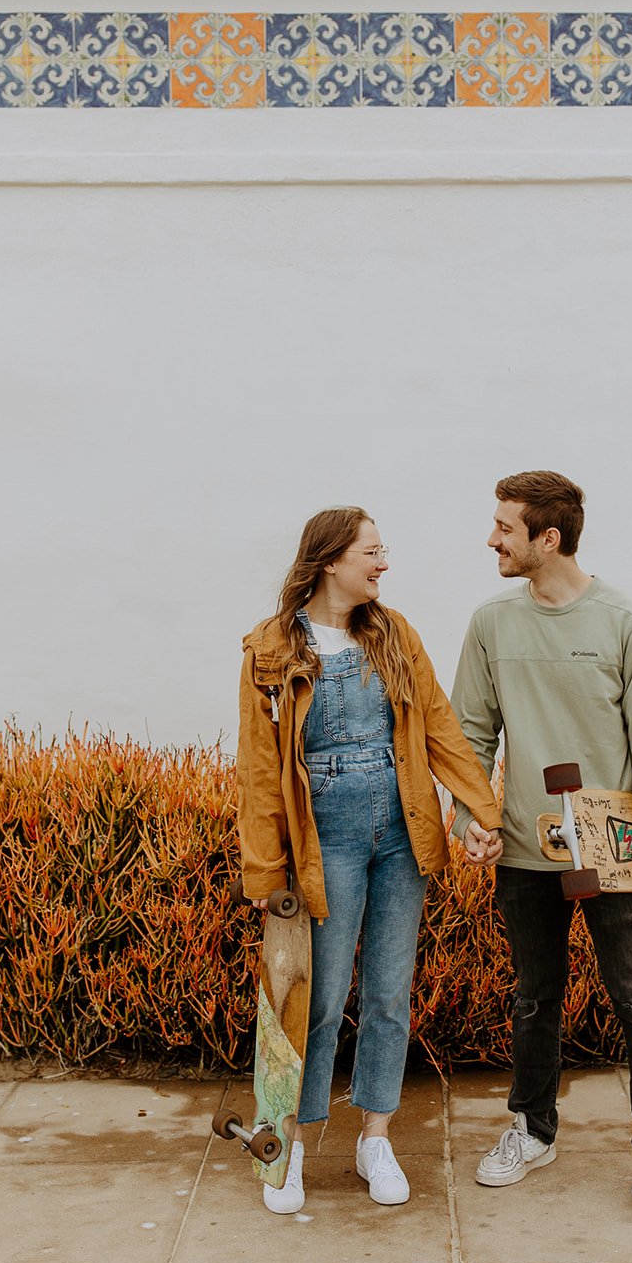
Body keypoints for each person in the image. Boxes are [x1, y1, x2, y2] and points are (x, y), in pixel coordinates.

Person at [237, 506, 502, 1216]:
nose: (382, 565)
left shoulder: (392, 633)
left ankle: (374, 1138)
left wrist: (480, 806)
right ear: (329, 560)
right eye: (371, 553)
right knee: (315, 1002)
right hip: (324, 842)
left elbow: (439, 726)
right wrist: (264, 872)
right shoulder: (270, 649)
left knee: (388, 994)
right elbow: (261, 769)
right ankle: (288, 1148)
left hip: (401, 830)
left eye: (383, 553)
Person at [450, 471, 632, 1225]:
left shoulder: (627, 621)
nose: (491, 538)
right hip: (524, 849)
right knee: (533, 998)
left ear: (547, 538)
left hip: (614, 850)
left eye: (504, 527)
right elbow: (471, 736)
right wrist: (469, 817)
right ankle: (531, 1129)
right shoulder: (492, 623)